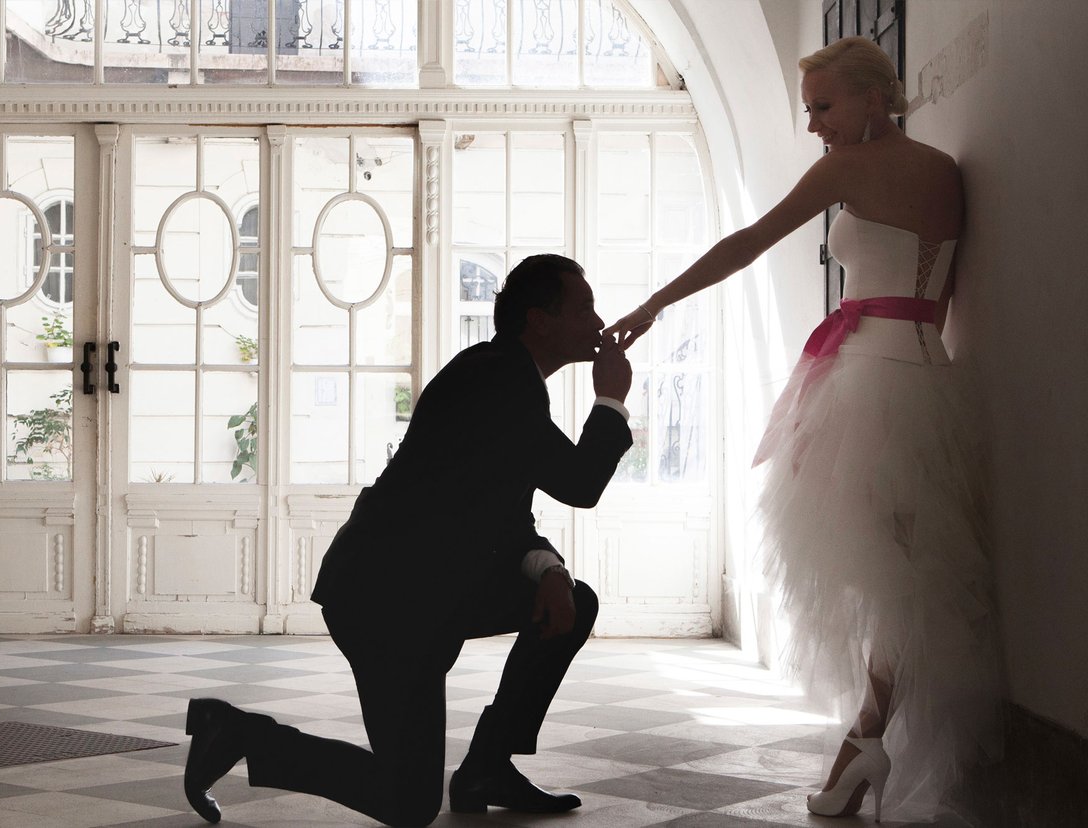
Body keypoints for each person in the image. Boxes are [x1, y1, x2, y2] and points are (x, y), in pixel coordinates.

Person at [604, 36, 1002, 823]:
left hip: (872, 383)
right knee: (909, 578)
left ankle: (864, 741)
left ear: (872, 96)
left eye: (823, 106)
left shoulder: (847, 169)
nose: (815, 124)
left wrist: (655, 304)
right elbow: (940, 294)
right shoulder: (944, 169)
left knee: (883, 578)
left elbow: (746, 243)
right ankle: (867, 739)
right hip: (927, 372)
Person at [183, 254, 634, 827]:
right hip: (384, 603)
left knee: (572, 601)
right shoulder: (498, 378)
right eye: (584, 308)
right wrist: (611, 398)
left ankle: (487, 769)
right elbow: (579, 483)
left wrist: (549, 570)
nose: (598, 321)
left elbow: (499, 511)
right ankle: (238, 733)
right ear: (539, 320)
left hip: (430, 592)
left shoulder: (505, 375)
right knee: (409, 802)